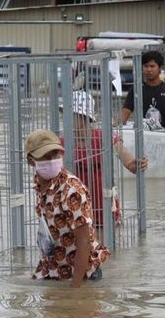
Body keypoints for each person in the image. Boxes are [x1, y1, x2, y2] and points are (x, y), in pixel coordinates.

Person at [26, 129, 109, 287]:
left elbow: (83, 241)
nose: (52, 161)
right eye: (45, 157)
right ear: (31, 161)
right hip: (55, 269)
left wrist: (75, 290)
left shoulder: (71, 191)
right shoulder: (40, 184)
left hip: (83, 274)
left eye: (55, 155)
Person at [61, 90, 147, 227]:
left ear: (84, 116)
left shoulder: (105, 137)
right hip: (75, 211)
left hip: (104, 209)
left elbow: (130, 163)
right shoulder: (62, 142)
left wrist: (138, 164)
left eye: (72, 114)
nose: (66, 117)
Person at [118, 50, 165, 132]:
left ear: (160, 68)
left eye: (152, 66)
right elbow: (126, 111)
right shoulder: (136, 90)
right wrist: (116, 125)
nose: (148, 70)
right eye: (146, 66)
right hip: (141, 136)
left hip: (163, 136)